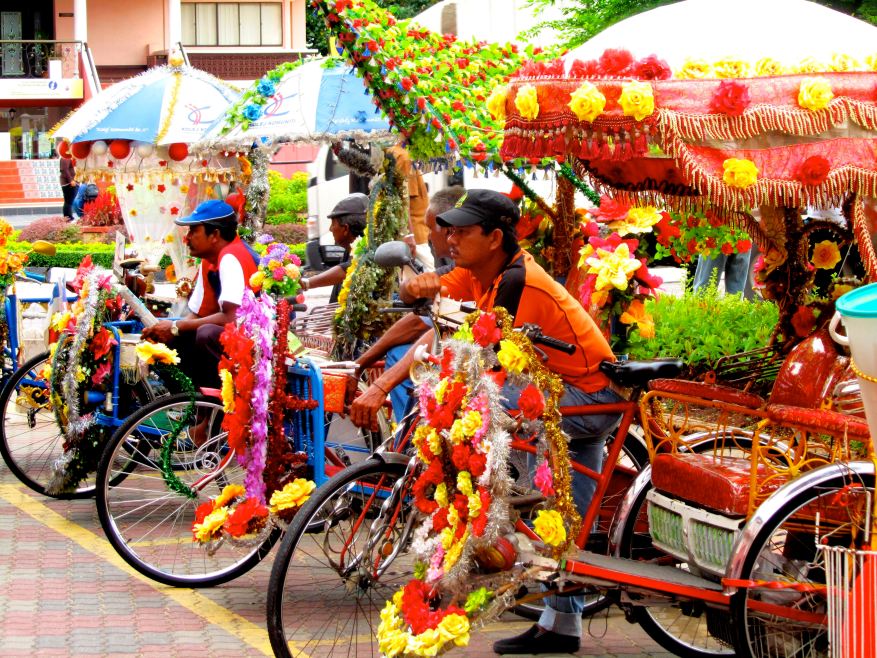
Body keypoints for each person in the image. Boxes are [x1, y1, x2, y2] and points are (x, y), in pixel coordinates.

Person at [350, 189, 619, 654]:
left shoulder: (518, 281)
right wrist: (414, 286)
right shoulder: (480, 272)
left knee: (474, 409)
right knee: (568, 517)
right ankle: (560, 626)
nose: (450, 238)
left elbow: (492, 364)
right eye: (447, 229)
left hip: (586, 397)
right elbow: (430, 294)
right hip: (559, 388)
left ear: (495, 237)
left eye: (461, 231)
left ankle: (495, 527)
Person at [353, 185, 465, 421]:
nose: (428, 237)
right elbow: (422, 318)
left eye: (429, 228)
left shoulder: (484, 270)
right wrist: (360, 364)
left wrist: (380, 385)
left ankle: (410, 436)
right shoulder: (460, 270)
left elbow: (434, 328)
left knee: (407, 359)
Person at [141, 199, 258, 389]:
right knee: (169, 339)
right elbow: (199, 312)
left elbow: (231, 317)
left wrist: (176, 326)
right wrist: (170, 330)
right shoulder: (209, 260)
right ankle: (195, 404)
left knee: (206, 334)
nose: (187, 238)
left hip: (254, 341)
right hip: (236, 335)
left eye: (193, 231)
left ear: (215, 235)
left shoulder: (231, 257)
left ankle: (218, 410)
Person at [299, 193, 368, 302]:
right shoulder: (350, 250)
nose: (330, 229)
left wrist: (307, 283)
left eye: (333, 224)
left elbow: (346, 269)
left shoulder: (367, 253)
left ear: (345, 229)